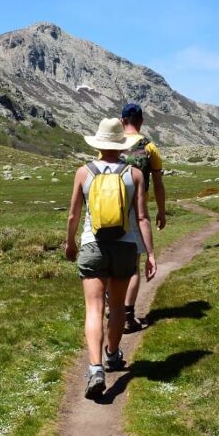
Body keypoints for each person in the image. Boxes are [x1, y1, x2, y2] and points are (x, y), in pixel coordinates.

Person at [65, 117, 156, 399]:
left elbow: (73, 214)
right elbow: (141, 217)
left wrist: (70, 242)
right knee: (116, 307)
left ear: (99, 143)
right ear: (121, 144)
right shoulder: (135, 174)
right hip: (125, 246)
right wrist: (150, 253)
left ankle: (95, 369)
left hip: (93, 245)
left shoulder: (84, 172)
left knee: (93, 308)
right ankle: (113, 354)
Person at [116, 103, 166, 332]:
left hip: (111, 207)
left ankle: (112, 306)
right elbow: (157, 184)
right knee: (134, 263)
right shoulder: (150, 147)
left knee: (111, 256)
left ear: (122, 120)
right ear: (142, 121)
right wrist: (161, 211)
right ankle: (127, 316)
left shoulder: (111, 145)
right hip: (137, 209)